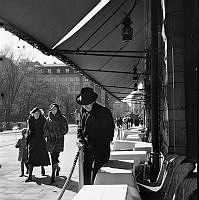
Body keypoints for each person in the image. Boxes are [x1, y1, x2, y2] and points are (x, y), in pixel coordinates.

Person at [76, 87, 115, 185]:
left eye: (87, 104)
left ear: (93, 101)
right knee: (86, 178)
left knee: (99, 180)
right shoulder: (83, 111)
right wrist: (80, 139)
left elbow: (109, 134)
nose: (85, 107)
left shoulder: (104, 112)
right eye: (83, 105)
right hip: (87, 152)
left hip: (101, 151)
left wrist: (92, 141)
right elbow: (80, 128)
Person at [44, 103, 68, 184]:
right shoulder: (48, 119)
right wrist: (49, 134)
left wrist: (56, 134)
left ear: (58, 109)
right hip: (50, 141)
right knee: (53, 157)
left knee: (55, 156)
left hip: (58, 141)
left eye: (54, 109)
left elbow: (65, 130)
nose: (53, 110)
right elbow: (45, 129)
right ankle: (57, 168)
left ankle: (53, 174)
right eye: (52, 109)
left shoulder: (62, 118)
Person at [25, 107, 50, 182]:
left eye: (38, 113)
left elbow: (46, 128)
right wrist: (27, 138)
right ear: (32, 114)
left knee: (41, 155)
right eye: (35, 113)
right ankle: (30, 176)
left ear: (40, 113)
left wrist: (46, 135)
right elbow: (28, 129)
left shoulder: (43, 119)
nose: (37, 115)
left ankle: (42, 168)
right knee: (31, 157)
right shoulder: (30, 119)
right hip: (32, 140)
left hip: (41, 140)